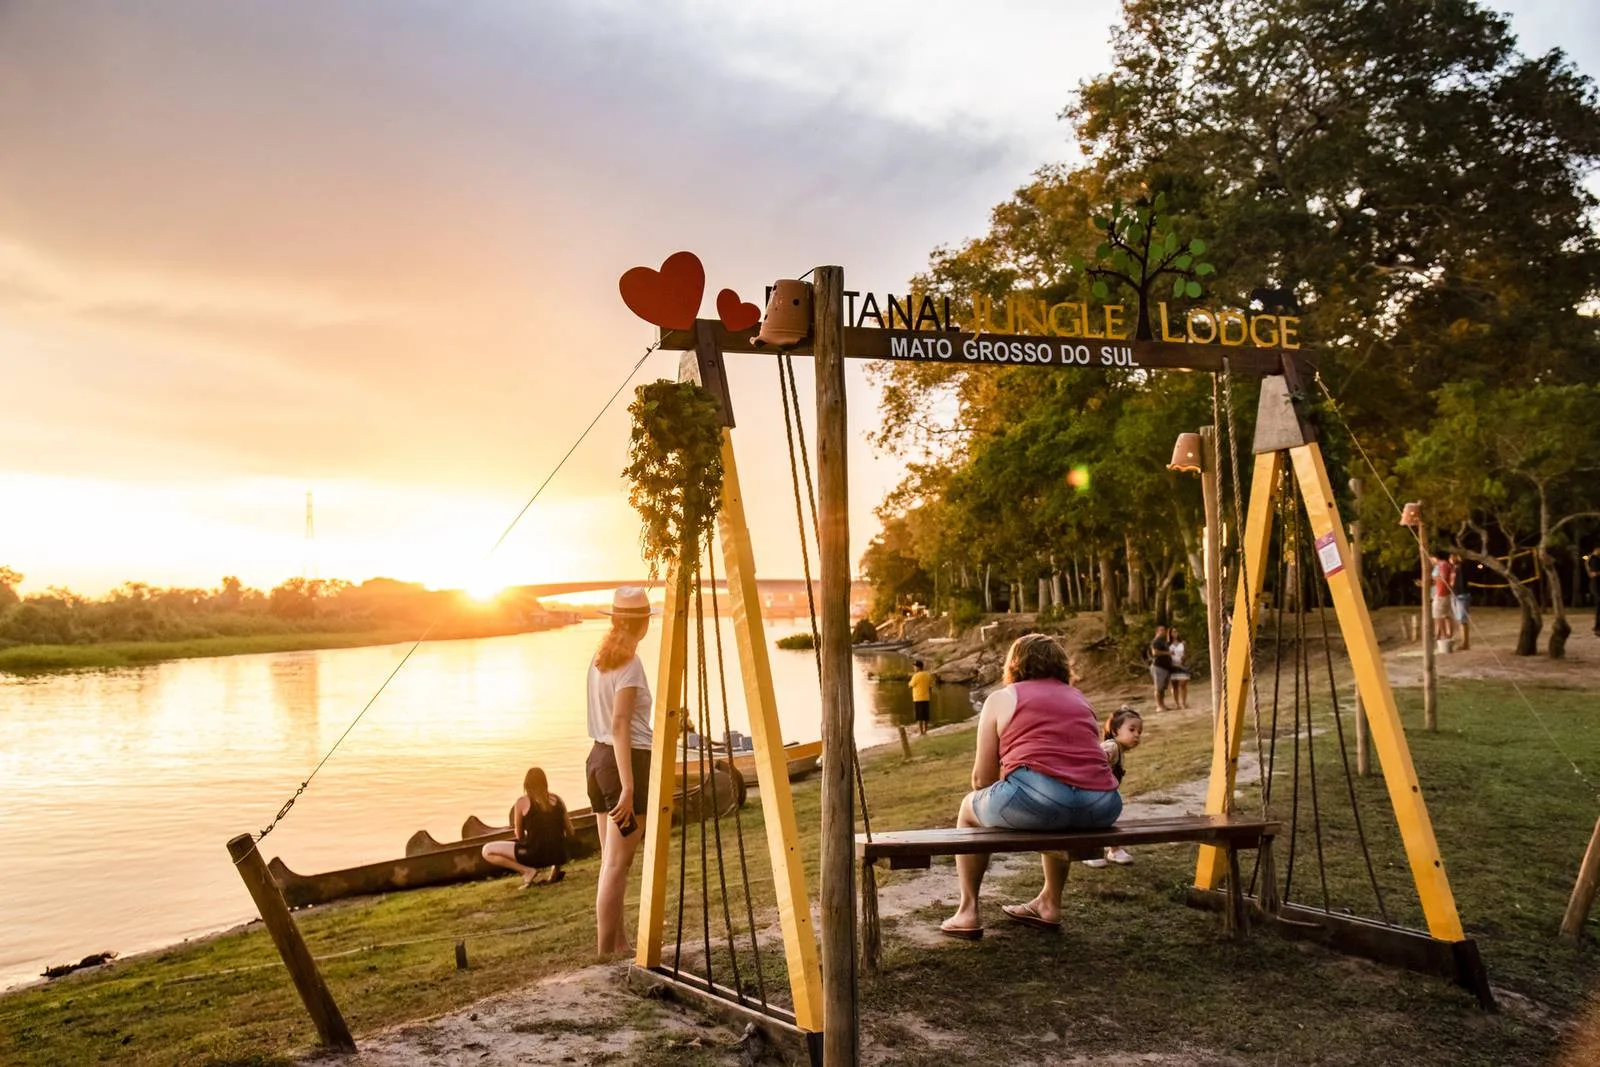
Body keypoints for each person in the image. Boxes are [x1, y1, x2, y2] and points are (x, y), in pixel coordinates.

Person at [938, 634, 1122, 939]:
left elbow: (982, 780)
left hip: (1043, 800)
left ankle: (967, 911)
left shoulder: (1001, 698)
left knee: (968, 808)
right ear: (1061, 665)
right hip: (1102, 805)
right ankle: (1050, 903)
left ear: (1014, 664)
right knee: (1058, 804)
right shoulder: (1079, 698)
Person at [586, 586, 659, 958]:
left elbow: (609, 725)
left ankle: (618, 943)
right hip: (625, 765)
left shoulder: (599, 660)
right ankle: (604, 953)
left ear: (615, 620)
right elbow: (620, 724)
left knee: (612, 862)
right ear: (643, 624)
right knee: (617, 863)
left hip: (597, 761)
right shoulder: (630, 664)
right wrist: (629, 788)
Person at [482, 766, 571, 888]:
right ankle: (555, 871)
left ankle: (527, 871)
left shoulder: (522, 802)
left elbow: (519, 835)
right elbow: (570, 830)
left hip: (534, 854)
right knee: (554, 841)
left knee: (487, 850)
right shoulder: (558, 800)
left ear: (526, 784)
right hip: (558, 854)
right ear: (545, 782)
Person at [1083, 707, 1143, 869]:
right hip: (1092, 793)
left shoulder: (1118, 749)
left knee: (1108, 820)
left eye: (1139, 731)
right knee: (1092, 822)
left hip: (1103, 794)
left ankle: (1114, 849)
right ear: (1116, 731)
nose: (1137, 734)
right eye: (1132, 729)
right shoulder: (1112, 747)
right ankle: (1088, 852)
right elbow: (1093, 761)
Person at [1430, 550, 1455, 645]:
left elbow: (1443, 578)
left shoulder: (1443, 565)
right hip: (1440, 592)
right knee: (1444, 614)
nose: (1430, 560)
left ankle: (1445, 636)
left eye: (1431, 558)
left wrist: (1432, 578)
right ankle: (1444, 635)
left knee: (1439, 615)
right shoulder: (1439, 566)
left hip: (1442, 593)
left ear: (1435, 557)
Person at [1449, 552, 1472, 651]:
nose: (1450, 558)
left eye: (1452, 556)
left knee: (1463, 620)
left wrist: (1460, 559)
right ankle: (1463, 642)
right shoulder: (1454, 568)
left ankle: (1465, 643)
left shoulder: (1462, 568)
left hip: (1462, 595)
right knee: (1459, 619)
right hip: (1454, 595)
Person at [1148, 624, 1174, 711]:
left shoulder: (1162, 641)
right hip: (1158, 666)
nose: (1163, 632)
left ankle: (1163, 705)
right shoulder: (1155, 642)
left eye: (1164, 630)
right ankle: (1159, 706)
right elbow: (1155, 652)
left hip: (1165, 667)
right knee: (1158, 687)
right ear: (1157, 631)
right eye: (1161, 630)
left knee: (1162, 688)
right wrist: (1168, 653)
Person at [908, 660, 935, 736]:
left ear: (918, 667)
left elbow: (910, 685)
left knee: (919, 717)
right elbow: (930, 687)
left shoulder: (915, 676)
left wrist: (910, 682)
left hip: (918, 698)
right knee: (926, 716)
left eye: (914, 666)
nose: (914, 668)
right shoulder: (927, 675)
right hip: (926, 698)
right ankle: (925, 730)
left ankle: (921, 732)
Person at [1167, 628, 1191, 710]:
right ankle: (1176, 704)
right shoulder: (1168, 644)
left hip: (1182, 665)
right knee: (1174, 685)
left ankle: (1183, 703)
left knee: (1183, 684)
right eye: (1173, 632)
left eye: (1176, 631)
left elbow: (1186, 653)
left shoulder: (1182, 643)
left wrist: (1184, 659)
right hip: (1173, 666)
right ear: (1170, 634)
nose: (1175, 633)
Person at [1587, 549, 1600, 635]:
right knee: (1599, 604)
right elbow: (1594, 574)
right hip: (1596, 586)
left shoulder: (1592, 559)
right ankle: (1597, 626)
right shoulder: (1595, 560)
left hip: (1596, 585)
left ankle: (1597, 626)